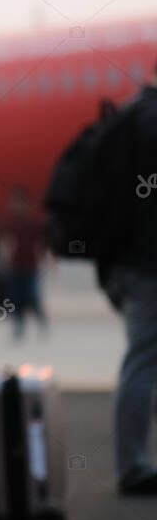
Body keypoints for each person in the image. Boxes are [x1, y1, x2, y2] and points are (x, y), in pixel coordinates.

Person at [101, 59, 157, 496]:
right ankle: (132, 466)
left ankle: (133, 463)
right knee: (142, 361)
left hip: (128, 266)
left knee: (142, 358)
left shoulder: (127, 116)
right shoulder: (149, 121)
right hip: (147, 266)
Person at [0, 186, 48, 340]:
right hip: (15, 267)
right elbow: (5, 243)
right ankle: (18, 327)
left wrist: (45, 261)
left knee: (33, 296)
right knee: (16, 299)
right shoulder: (10, 223)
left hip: (31, 266)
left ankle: (42, 323)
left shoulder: (33, 223)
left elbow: (42, 244)